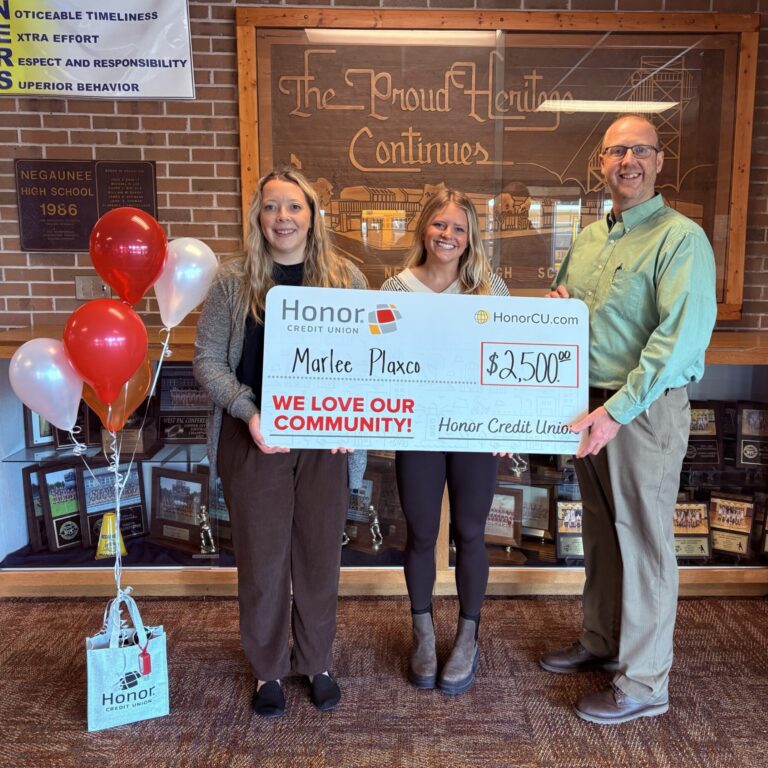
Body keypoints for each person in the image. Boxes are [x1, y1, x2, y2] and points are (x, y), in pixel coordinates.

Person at [540, 114, 717, 724]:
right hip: (588, 404)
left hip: (641, 408)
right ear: (601, 163)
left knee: (643, 542)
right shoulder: (590, 238)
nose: (628, 162)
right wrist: (558, 311)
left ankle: (643, 684)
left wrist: (616, 411)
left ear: (660, 161)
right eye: (617, 152)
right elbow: (574, 314)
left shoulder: (681, 238)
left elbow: (678, 342)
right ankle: (601, 641)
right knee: (601, 531)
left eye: (640, 150)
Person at [193, 168, 367, 719]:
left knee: (318, 559)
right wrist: (249, 411)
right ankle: (268, 669)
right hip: (256, 439)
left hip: (326, 443)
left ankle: (317, 662)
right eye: (271, 208)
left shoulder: (346, 279)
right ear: (257, 217)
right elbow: (207, 362)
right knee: (263, 562)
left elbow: (372, 362)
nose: (283, 218)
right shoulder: (233, 279)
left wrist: (352, 421)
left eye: (294, 207)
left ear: (313, 216)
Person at [381, 188, 509, 694]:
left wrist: (505, 420)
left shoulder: (488, 289)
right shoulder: (394, 287)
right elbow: (377, 359)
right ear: (423, 230)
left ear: (471, 237)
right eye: (439, 226)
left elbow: (506, 363)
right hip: (417, 429)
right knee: (419, 531)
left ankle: (467, 637)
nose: (448, 236)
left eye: (458, 228)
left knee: (472, 532)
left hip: (474, 429)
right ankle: (424, 633)